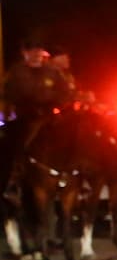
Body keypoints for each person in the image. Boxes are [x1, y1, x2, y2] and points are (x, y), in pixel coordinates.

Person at [2, 38, 74, 205]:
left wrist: (57, 102)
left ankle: (74, 174)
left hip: (50, 115)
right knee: (14, 143)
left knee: (74, 135)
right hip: (26, 117)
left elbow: (64, 92)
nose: (36, 54)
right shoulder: (16, 72)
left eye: (38, 50)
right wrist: (25, 103)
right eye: (31, 51)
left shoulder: (52, 72)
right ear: (24, 53)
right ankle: (13, 178)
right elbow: (8, 93)